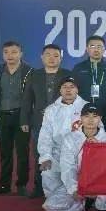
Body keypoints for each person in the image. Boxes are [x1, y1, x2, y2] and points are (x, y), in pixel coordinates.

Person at [43, 103, 106, 211]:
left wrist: (99, 150)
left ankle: (98, 204)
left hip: (100, 182)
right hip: (79, 181)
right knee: (50, 205)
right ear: (81, 118)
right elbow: (68, 166)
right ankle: (83, 205)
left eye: (95, 116)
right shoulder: (70, 139)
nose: (90, 120)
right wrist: (74, 189)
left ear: (100, 118)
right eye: (86, 116)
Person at [20, 43, 70, 198]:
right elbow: (27, 99)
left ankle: (64, 186)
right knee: (40, 154)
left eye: (56, 55)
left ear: (61, 58)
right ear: (42, 57)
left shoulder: (68, 74)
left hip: (63, 122)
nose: (52, 58)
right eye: (48, 55)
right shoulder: (34, 75)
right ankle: (39, 187)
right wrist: (24, 120)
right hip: (39, 122)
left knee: (63, 153)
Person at [0, 40, 33, 196]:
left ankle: (21, 185)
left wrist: (27, 117)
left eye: (14, 52)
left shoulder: (29, 71)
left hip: (21, 118)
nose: (10, 55)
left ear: (21, 54)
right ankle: (4, 185)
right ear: (3, 54)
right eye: (6, 52)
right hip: (2, 117)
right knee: (5, 153)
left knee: (22, 153)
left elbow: (31, 96)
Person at [37, 77, 88, 211]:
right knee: (47, 173)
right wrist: (45, 157)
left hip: (79, 154)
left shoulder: (86, 107)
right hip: (57, 153)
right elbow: (45, 135)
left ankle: (79, 202)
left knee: (73, 182)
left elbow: (96, 132)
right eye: (65, 87)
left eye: (72, 87)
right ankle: (62, 201)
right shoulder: (51, 110)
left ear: (77, 90)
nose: (68, 90)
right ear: (60, 90)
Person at [71, 34, 106, 122]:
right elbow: (73, 89)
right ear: (87, 49)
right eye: (92, 46)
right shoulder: (78, 68)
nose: (96, 49)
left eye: (99, 46)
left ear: (104, 49)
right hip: (83, 110)